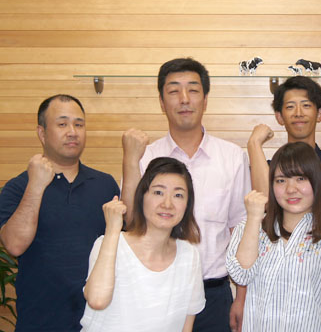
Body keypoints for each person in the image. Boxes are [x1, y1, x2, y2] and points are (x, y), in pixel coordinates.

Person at [120, 58, 251, 332]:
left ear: (205, 99)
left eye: (193, 90)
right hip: (155, 292)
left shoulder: (232, 157)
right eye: (173, 91)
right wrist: (129, 160)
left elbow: (241, 230)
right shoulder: (144, 158)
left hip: (215, 294)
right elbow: (130, 223)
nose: (184, 99)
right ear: (161, 101)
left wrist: (241, 297)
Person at [0, 94, 120, 332]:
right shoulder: (18, 187)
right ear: (42, 133)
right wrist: (36, 185)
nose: (72, 132)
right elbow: (14, 245)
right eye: (62, 124)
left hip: (99, 321)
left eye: (79, 124)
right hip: (40, 323)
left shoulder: (105, 185)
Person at [226, 142, 321, 332]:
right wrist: (255, 218)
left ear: (317, 181)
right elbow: (241, 275)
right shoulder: (249, 227)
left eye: (301, 178)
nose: (291, 189)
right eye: (281, 180)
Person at [81, 157, 205, 331]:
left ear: (187, 204)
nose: (167, 204)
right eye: (158, 192)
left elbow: (186, 325)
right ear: (142, 197)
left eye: (178, 195)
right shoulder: (109, 243)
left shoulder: (189, 255)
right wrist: (112, 230)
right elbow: (97, 300)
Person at [247, 76, 321, 229]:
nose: (298, 113)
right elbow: (265, 204)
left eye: (306, 105)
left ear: (320, 113)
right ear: (279, 117)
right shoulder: (268, 169)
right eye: (290, 107)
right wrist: (254, 144)